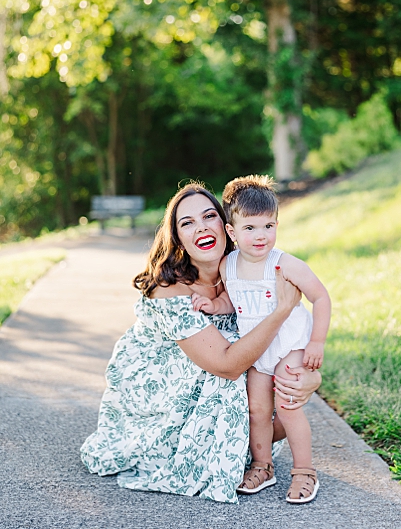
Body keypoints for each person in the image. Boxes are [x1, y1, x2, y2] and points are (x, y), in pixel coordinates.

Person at [81, 183, 312, 504]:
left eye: (209, 216)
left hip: (227, 367)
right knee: (238, 404)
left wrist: (311, 377)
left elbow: (295, 334)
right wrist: (280, 309)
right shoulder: (170, 289)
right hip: (164, 386)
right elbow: (228, 366)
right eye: (187, 223)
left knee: (282, 398)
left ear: (226, 226)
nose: (201, 226)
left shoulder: (244, 266)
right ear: (177, 237)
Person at [192, 175, 331, 504]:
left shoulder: (284, 265)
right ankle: (262, 465)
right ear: (231, 232)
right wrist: (214, 305)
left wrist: (317, 342)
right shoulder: (229, 265)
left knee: (288, 406)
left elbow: (321, 297)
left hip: (289, 346)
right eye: (250, 228)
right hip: (257, 351)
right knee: (257, 409)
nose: (261, 236)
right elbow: (234, 300)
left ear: (277, 225)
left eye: (268, 226)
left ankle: (304, 472)